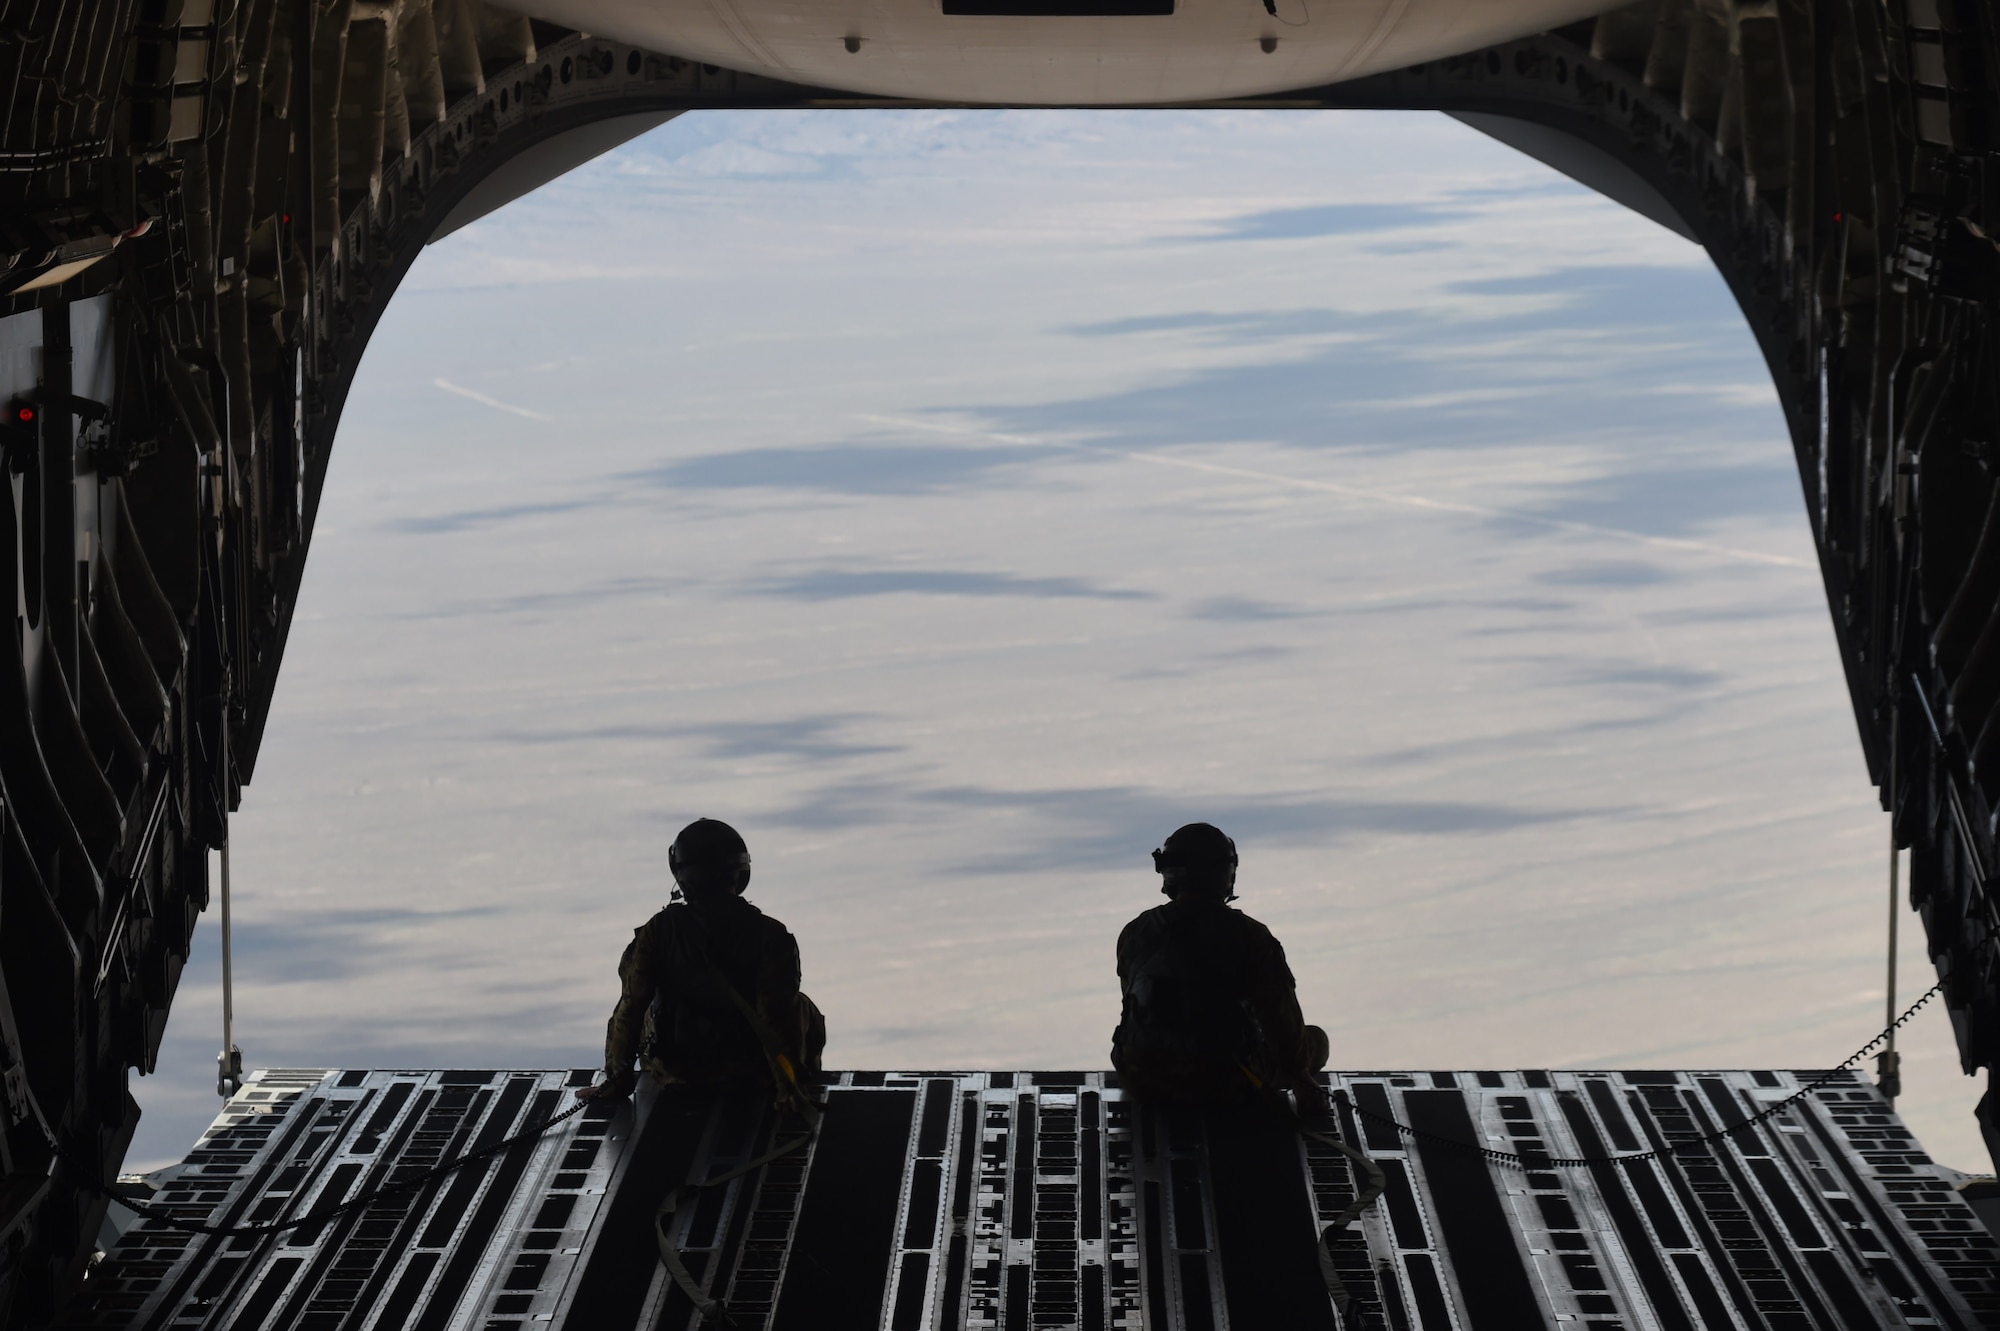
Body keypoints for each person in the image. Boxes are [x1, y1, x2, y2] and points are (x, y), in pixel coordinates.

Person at [576, 818, 825, 1107]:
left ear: (681, 874)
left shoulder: (657, 932)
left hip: (679, 1076)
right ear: (740, 873)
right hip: (755, 1075)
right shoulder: (772, 934)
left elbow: (630, 1010)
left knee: (633, 1007)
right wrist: (787, 1090)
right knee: (802, 1007)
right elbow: (777, 1017)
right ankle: (798, 1081)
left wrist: (615, 1085)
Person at [1111, 822, 1329, 1113]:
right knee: (1316, 1039)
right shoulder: (1249, 935)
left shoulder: (1136, 931)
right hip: (1218, 1084)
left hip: (1140, 1080)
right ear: (1224, 873)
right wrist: (1301, 1077)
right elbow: (1280, 1017)